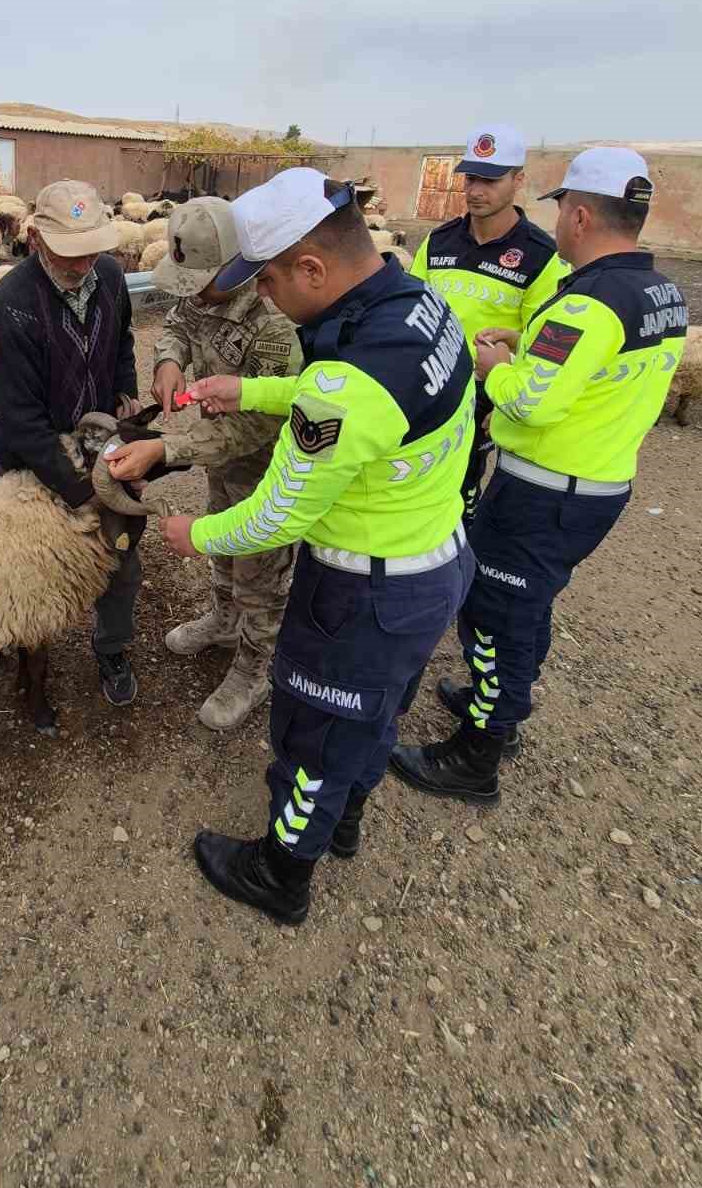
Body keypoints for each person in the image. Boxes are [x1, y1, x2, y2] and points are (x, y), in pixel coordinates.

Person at [157, 168, 475, 926]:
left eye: (267, 280)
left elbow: (272, 519)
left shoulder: (346, 381)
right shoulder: (420, 306)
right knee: (372, 717)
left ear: (311, 268)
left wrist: (192, 534)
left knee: (315, 731)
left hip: (364, 591)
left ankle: (282, 870)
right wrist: (252, 390)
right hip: (432, 561)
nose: (263, 296)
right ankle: (343, 819)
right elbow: (361, 402)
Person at [390, 148, 687, 805]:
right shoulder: (659, 291)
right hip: (598, 483)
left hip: (545, 490)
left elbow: (531, 401)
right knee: (528, 603)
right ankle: (496, 703)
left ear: (579, 215)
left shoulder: (586, 304)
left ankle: (478, 752)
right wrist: (528, 347)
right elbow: (598, 376)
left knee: (496, 614)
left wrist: (497, 362)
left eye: (561, 212)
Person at [101, 198, 301, 731]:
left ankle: (254, 669)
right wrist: (169, 359)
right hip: (223, 468)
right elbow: (179, 322)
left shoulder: (275, 324)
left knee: (262, 573)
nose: (190, 290)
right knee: (222, 544)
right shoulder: (203, 294)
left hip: (267, 474)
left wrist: (165, 448)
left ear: (237, 267)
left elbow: (253, 426)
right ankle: (223, 620)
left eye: (200, 279)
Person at [0, 181, 143, 706]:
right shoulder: (11, 304)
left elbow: (122, 343)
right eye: (68, 253)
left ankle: (112, 646)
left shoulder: (112, 278)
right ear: (34, 238)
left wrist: (126, 393)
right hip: (31, 457)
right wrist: (81, 492)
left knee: (119, 553)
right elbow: (19, 419)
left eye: (91, 250)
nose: (82, 264)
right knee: (9, 562)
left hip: (97, 441)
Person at [411, 124, 565, 522]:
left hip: (482, 394)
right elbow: (410, 311)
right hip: (424, 385)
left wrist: (505, 389)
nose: (476, 190)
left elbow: (546, 339)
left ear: (518, 180)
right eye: (471, 177)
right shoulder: (438, 241)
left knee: (458, 492)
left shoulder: (541, 255)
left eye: (491, 180)